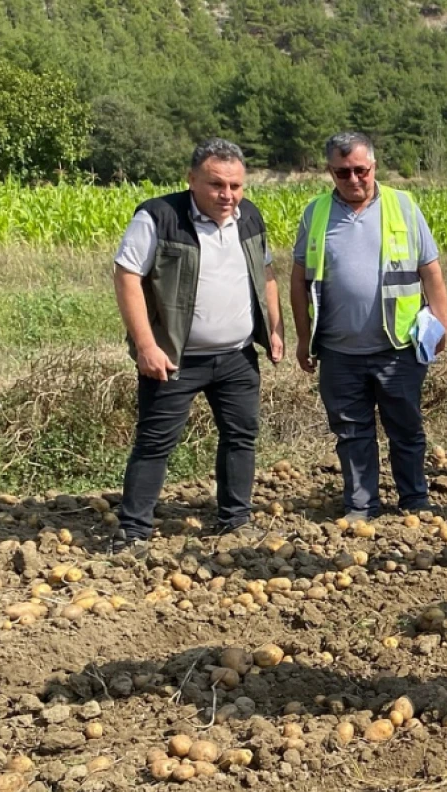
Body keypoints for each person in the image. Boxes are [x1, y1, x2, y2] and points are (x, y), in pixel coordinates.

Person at [110, 138, 283, 553]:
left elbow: (267, 272)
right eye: (217, 185)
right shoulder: (158, 216)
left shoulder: (250, 218)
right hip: (174, 357)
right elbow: (127, 275)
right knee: (155, 442)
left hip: (238, 356)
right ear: (191, 180)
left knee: (241, 436)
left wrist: (275, 328)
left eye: (236, 186)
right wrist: (146, 344)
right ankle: (132, 532)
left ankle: (235, 521)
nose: (228, 195)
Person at [291, 131, 447, 520]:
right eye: (342, 172)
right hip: (338, 351)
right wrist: (301, 337)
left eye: (360, 170)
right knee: (351, 434)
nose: (353, 179)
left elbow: (430, 271)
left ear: (374, 166)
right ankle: (361, 505)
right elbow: (299, 279)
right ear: (330, 171)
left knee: (406, 429)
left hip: (397, 348)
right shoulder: (316, 213)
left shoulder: (403, 206)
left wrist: (441, 323)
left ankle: (414, 499)